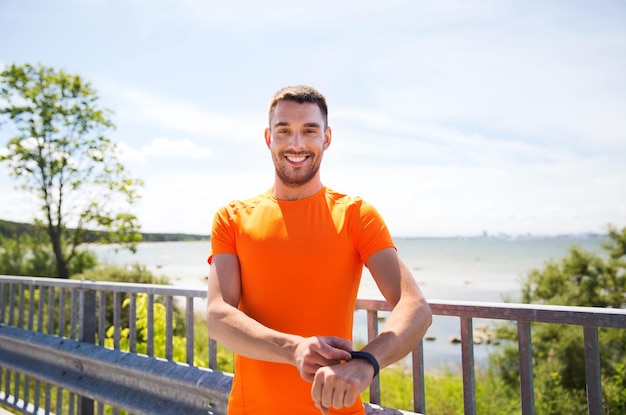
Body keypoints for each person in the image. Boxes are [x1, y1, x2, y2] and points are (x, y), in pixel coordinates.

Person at [206, 85, 432, 415]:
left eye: (309, 131)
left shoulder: (356, 215)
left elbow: (415, 307)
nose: (296, 144)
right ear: (269, 138)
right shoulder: (231, 218)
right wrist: (294, 349)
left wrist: (366, 363)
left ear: (326, 138)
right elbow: (218, 316)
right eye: (284, 131)